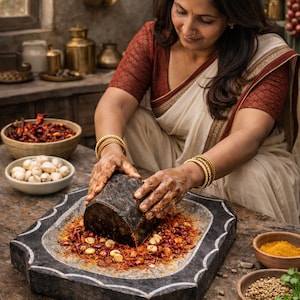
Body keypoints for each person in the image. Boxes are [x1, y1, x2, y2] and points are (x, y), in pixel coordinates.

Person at [87, 0, 300, 226]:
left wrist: (187, 174)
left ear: (231, 18)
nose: (187, 29)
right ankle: (134, 214)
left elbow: (249, 136)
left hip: (242, 164)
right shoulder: (156, 36)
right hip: (175, 155)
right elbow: (116, 102)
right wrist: (110, 150)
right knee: (126, 126)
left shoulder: (263, 56)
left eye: (205, 20)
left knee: (251, 175)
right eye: (180, 11)